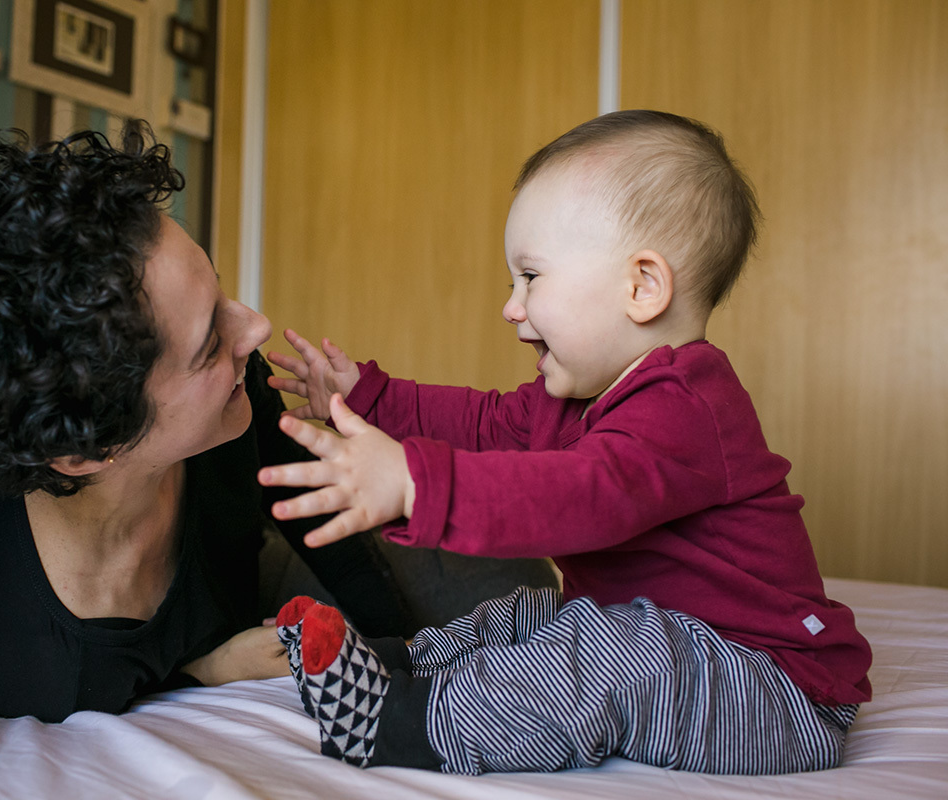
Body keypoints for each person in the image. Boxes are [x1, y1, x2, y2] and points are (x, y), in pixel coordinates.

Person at [258, 110, 872, 775]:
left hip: (774, 692)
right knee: (531, 615)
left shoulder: (688, 406)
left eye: (531, 277)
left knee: (616, 651)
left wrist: (414, 483)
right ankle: (402, 665)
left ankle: (405, 725)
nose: (511, 306)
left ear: (641, 287)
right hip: (686, 648)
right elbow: (480, 423)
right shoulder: (575, 397)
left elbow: (581, 495)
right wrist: (367, 398)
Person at [0, 122, 417, 723]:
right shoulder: (27, 671)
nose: (256, 327)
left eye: (219, 292)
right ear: (87, 448)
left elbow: (312, 504)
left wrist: (405, 646)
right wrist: (207, 667)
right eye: (208, 343)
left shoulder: (232, 394)